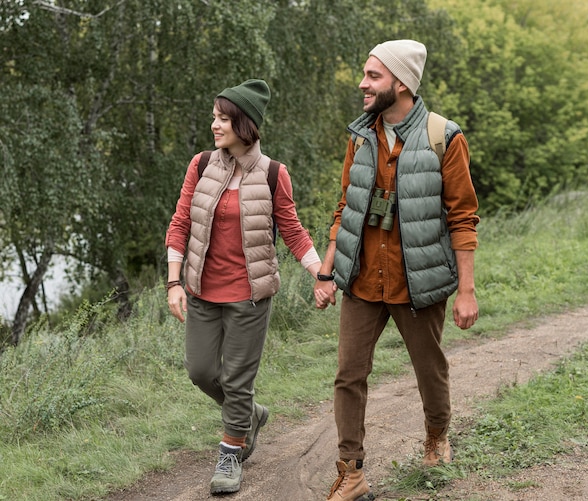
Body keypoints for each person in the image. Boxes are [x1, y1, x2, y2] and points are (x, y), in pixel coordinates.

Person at [314, 40, 480, 501]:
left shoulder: (443, 137)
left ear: (401, 83)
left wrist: (466, 290)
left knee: (429, 369)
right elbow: (344, 207)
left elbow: (463, 218)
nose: (362, 84)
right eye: (365, 75)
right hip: (362, 279)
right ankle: (352, 472)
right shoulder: (359, 137)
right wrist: (327, 272)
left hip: (418, 282)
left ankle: (436, 436)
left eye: (373, 76)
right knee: (349, 375)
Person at [165, 79, 322, 495]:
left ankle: (231, 453)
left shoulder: (273, 174)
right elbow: (181, 222)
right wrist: (173, 281)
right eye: (214, 117)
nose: (214, 125)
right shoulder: (201, 165)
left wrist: (320, 273)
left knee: (236, 380)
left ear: (244, 123)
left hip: (249, 295)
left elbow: (292, 229)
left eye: (222, 118)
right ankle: (249, 414)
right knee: (200, 370)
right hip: (202, 290)